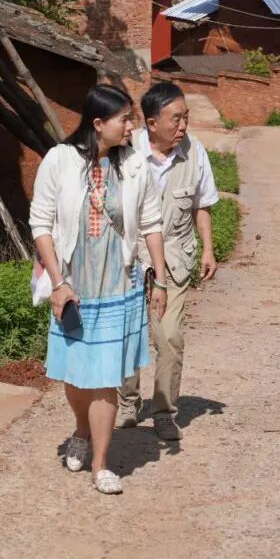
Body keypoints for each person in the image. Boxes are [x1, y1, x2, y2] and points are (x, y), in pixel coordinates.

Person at [29, 84, 169, 494]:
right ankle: (81, 429)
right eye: (124, 120)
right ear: (97, 123)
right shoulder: (59, 160)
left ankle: (101, 465)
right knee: (76, 377)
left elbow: (151, 222)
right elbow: (41, 223)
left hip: (118, 283)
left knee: (106, 377)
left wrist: (159, 278)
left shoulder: (135, 165)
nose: (131, 127)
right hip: (73, 285)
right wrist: (58, 283)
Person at [117, 82, 220, 440]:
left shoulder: (195, 152)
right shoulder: (124, 152)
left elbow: (201, 204)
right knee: (127, 333)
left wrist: (208, 248)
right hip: (130, 257)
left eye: (185, 118)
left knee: (170, 336)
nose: (183, 126)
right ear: (151, 123)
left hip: (175, 256)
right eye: (176, 119)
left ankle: (164, 412)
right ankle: (128, 402)